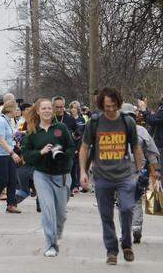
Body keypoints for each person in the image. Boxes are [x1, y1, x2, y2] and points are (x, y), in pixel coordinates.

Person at [79, 87, 144, 265]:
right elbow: (84, 147)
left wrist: (140, 171)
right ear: (101, 105)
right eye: (106, 106)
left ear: (118, 104)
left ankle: (127, 243)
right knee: (106, 215)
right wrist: (83, 172)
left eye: (113, 105)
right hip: (101, 176)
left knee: (127, 209)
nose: (110, 109)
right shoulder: (94, 122)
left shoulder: (127, 122)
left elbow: (136, 147)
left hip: (124, 175)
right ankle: (111, 251)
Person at [22, 98, 76, 257]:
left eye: (49, 108)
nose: (47, 111)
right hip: (42, 175)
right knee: (47, 210)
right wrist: (40, 152)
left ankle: (57, 232)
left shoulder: (61, 128)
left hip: (62, 175)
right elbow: (25, 154)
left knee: (61, 213)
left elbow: (72, 147)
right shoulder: (32, 131)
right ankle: (51, 244)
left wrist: (65, 157)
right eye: (43, 108)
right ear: (38, 111)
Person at [120, 104, 160, 245]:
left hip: (124, 171)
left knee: (123, 202)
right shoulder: (141, 131)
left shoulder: (115, 130)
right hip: (136, 170)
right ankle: (136, 227)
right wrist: (156, 170)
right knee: (135, 200)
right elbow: (151, 154)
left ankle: (127, 231)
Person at [0, 98, 22, 214]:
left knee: (13, 179)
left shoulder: (8, 121)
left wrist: (15, 141)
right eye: (16, 109)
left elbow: (9, 136)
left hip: (8, 153)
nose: (18, 112)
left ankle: (11, 204)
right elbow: (1, 140)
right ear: (10, 110)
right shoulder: (0, 121)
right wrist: (12, 153)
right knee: (4, 180)